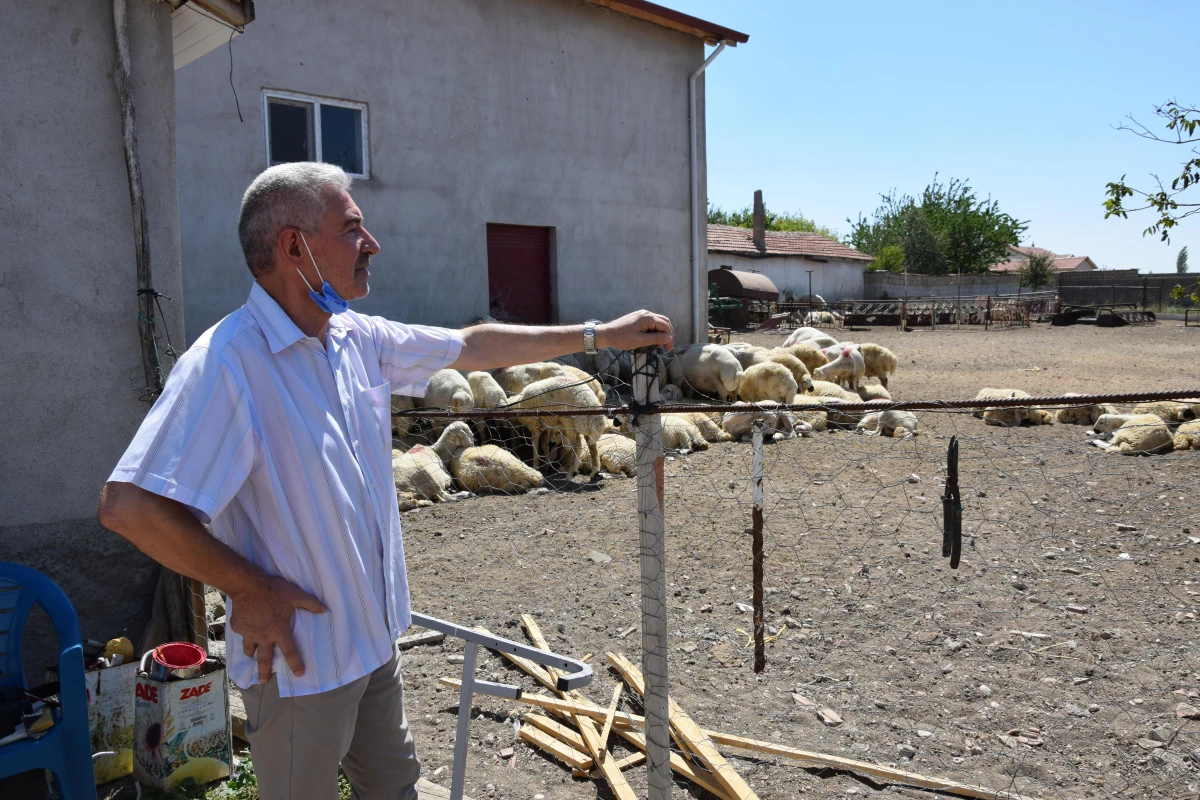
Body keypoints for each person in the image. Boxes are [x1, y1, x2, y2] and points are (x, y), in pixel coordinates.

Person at [98, 162, 673, 799]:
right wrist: (248, 589)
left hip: (371, 641)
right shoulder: (226, 364)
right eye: (353, 229)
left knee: (396, 791)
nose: (372, 245)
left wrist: (600, 334)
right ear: (295, 247)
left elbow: (471, 347)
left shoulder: (352, 338)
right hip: (299, 665)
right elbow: (130, 506)